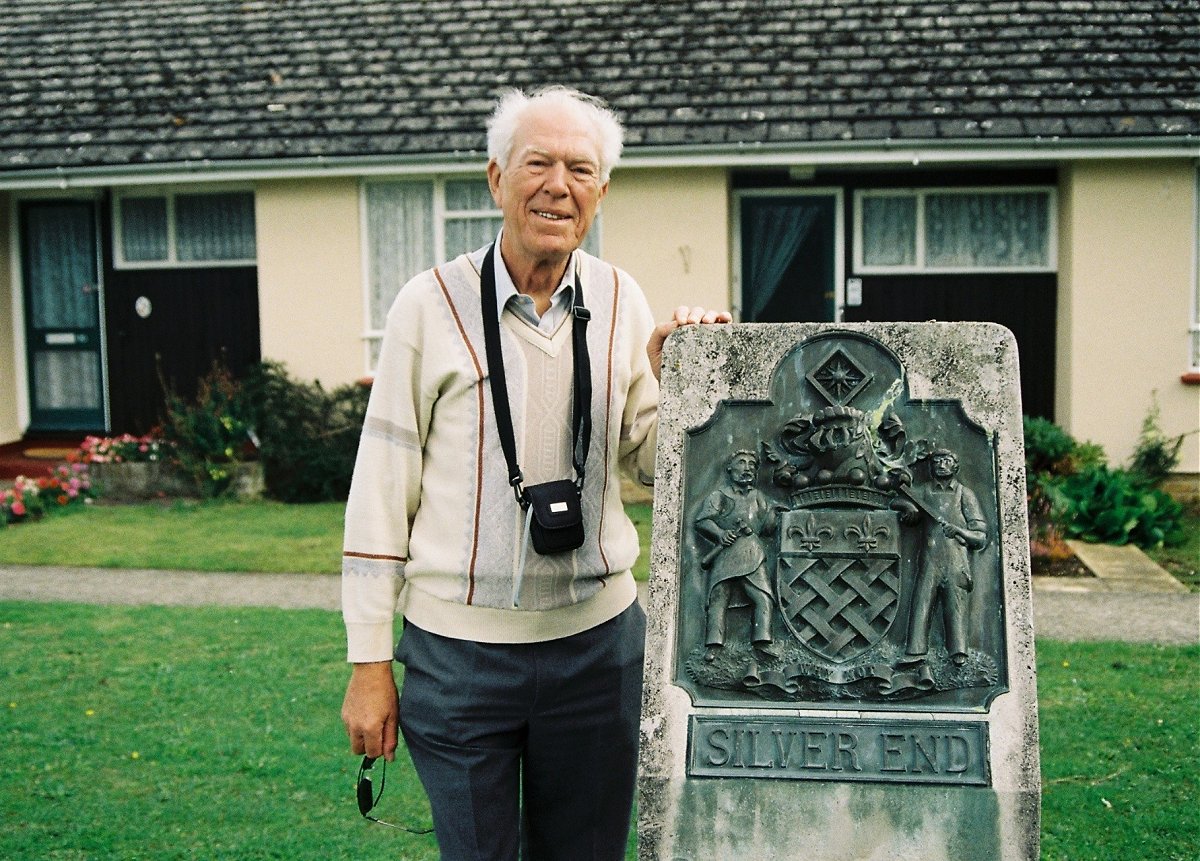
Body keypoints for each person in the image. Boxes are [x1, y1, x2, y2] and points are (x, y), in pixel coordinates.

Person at [339, 85, 730, 861]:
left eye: (580, 169)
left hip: (599, 650)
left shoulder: (622, 298)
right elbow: (380, 492)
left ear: (602, 191)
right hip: (456, 657)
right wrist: (369, 664)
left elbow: (656, 466)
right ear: (495, 178)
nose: (559, 185)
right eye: (537, 163)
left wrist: (690, 383)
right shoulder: (429, 304)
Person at [898, 448, 988, 667]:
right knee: (922, 603)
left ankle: (958, 652)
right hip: (929, 560)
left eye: (946, 460)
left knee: (956, 604)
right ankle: (915, 650)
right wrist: (908, 508)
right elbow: (897, 501)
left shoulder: (965, 494)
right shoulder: (923, 491)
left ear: (955, 466)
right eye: (936, 461)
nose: (940, 464)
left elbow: (980, 536)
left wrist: (959, 531)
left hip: (956, 560)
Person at [693, 449, 779, 661]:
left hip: (752, 553)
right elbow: (703, 521)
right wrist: (720, 533)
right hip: (725, 554)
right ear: (730, 469)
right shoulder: (719, 496)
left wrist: (775, 515)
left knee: (763, 597)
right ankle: (713, 645)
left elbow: (766, 529)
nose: (747, 468)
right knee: (718, 599)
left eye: (752, 465)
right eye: (741, 463)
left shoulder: (758, 497)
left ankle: (762, 642)